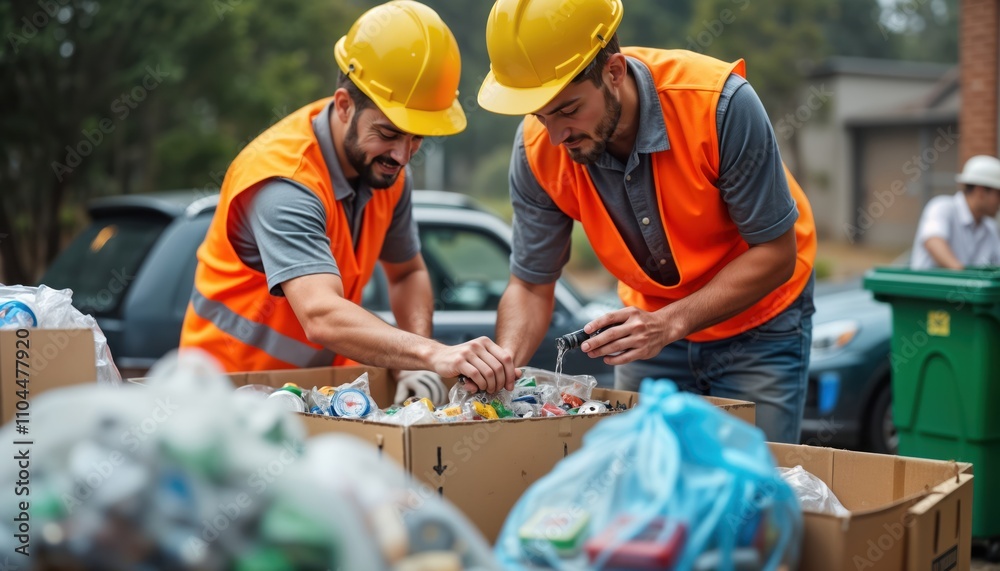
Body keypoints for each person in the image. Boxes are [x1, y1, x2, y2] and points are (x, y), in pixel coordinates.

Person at [477, 0, 817, 443]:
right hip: (652, 328)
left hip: (759, 326)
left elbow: (776, 254)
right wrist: (502, 363)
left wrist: (668, 324)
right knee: (642, 482)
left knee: (752, 487)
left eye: (567, 110)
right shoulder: (537, 149)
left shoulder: (719, 106)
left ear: (614, 72)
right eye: (540, 114)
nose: (556, 135)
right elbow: (530, 285)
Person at [180, 1, 517, 399]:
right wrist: (431, 354)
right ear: (344, 105)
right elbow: (321, 315)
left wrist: (408, 364)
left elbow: (408, 273)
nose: (404, 155)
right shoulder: (283, 183)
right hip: (225, 395)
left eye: (417, 137)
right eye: (390, 133)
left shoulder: (387, 170)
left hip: (311, 396)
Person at [910, 155, 1000, 270]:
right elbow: (933, 241)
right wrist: (962, 274)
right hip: (926, 288)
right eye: (998, 194)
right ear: (981, 191)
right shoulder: (942, 207)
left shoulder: (990, 227)